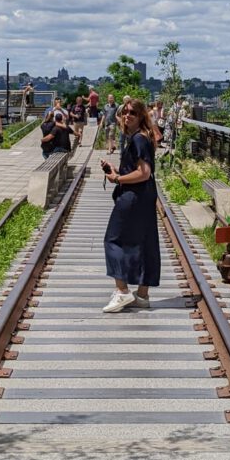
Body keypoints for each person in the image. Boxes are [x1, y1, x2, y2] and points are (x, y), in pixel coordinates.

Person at [101, 99, 160, 313]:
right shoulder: (139, 138)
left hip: (134, 197)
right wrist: (117, 170)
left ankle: (122, 290)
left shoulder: (138, 139)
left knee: (113, 239)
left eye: (132, 113)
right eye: (124, 112)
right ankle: (142, 295)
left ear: (141, 116)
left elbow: (143, 173)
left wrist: (117, 179)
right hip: (144, 195)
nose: (127, 116)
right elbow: (138, 169)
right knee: (145, 240)